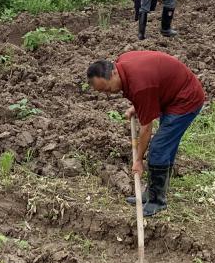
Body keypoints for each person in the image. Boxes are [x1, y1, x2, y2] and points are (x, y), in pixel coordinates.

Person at [86, 51, 206, 217]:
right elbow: (150, 85)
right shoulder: (122, 63)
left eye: (107, 88)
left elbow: (146, 128)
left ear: (113, 72)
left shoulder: (140, 85)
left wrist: (138, 160)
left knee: (158, 147)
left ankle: (158, 201)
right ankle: (151, 194)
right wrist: (138, 106)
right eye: (103, 92)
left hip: (185, 100)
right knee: (164, 145)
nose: (109, 93)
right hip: (170, 95)